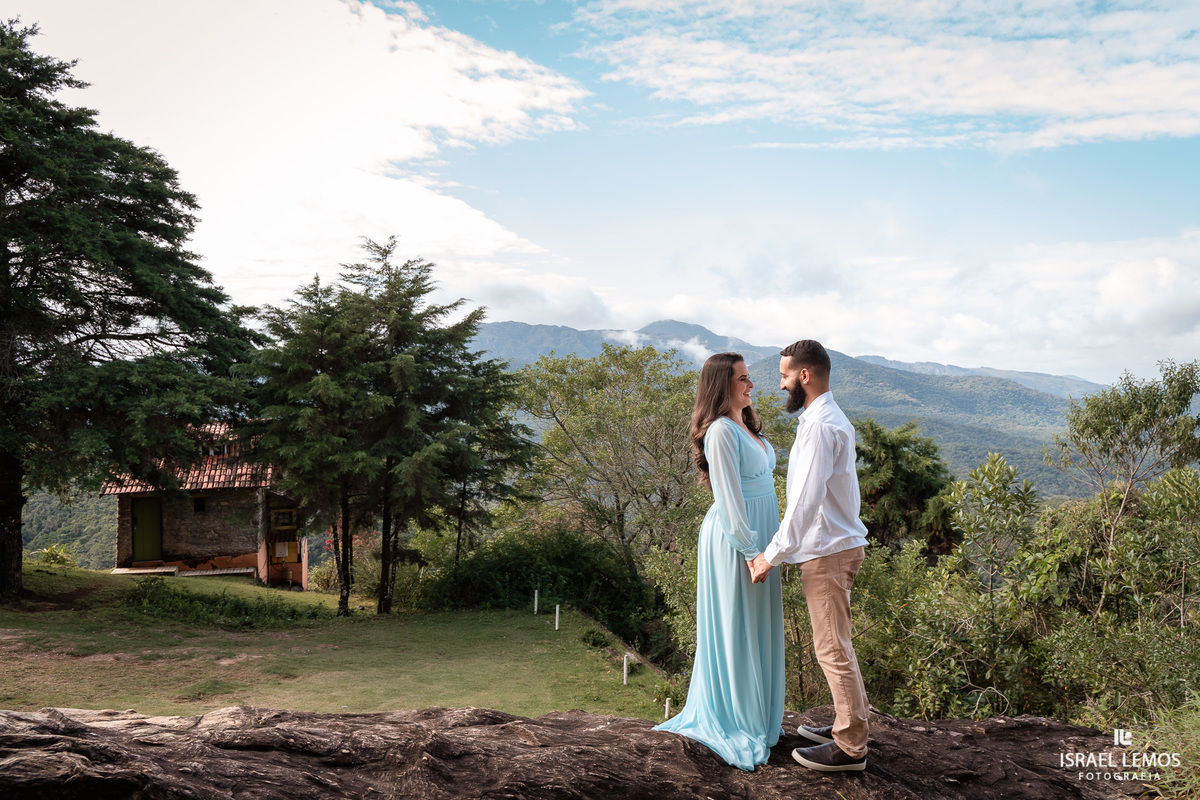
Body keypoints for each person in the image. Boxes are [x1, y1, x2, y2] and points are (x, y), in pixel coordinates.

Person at [654, 352, 785, 771]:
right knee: (738, 626)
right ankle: (737, 719)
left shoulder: (746, 426)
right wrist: (751, 552)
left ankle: (760, 717)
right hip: (736, 541)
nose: (751, 385)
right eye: (743, 379)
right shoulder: (721, 432)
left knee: (759, 625)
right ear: (721, 385)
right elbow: (728, 498)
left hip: (762, 538)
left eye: (749, 377)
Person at [749, 339, 871, 772]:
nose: (781, 385)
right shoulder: (829, 418)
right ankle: (847, 723)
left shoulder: (820, 426)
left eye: (784, 376)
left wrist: (771, 555)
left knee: (831, 648)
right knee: (839, 643)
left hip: (827, 551)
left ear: (804, 375)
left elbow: (804, 501)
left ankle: (851, 746)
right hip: (838, 546)